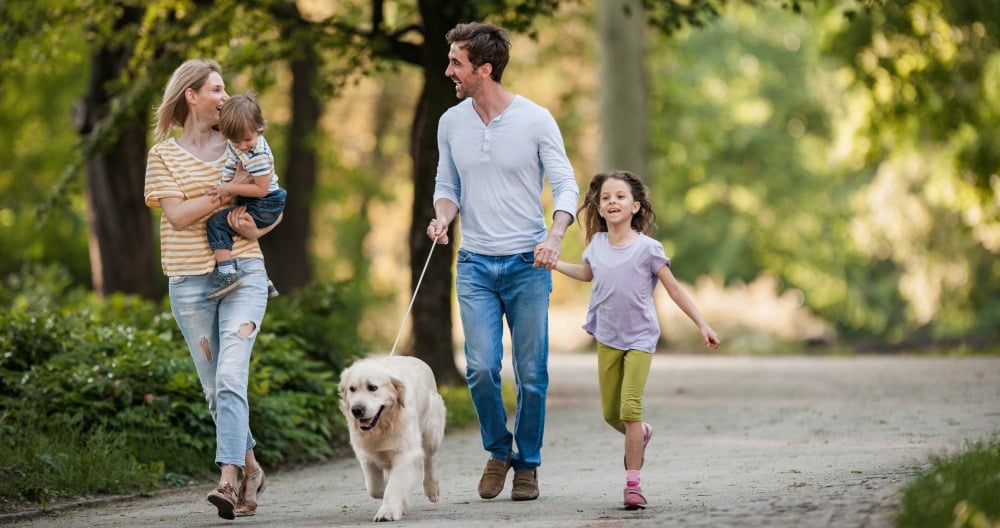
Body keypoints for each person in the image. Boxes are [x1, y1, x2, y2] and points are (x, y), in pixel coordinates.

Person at [426, 21, 580, 502]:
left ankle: (527, 463)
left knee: (532, 375)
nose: (448, 69)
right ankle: (498, 450)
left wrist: (555, 235)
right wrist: (442, 218)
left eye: (457, 62)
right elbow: (446, 186)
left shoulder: (535, 119)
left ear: (484, 69)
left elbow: (567, 185)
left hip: (527, 265)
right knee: (480, 367)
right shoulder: (451, 122)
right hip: (474, 264)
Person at [144, 59, 275, 520]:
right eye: (216, 89)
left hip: (243, 273)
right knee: (213, 388)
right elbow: (177, 216)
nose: (225, 96)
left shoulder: (243, 138)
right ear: (191, 96)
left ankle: (227, 478)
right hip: (188, 282)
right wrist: (227, 194)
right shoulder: (163, 155)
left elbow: (271, 196)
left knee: (231, 375)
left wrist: (256, 230)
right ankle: (253, 469)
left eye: (225, 89)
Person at [553, 170, 721, 510]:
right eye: (605, 198)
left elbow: (673, 288)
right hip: (607, 336)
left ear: (635, 206)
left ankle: (633, 485)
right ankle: (641, 433)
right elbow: (587, 274)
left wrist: (702, 324)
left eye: (620, 196)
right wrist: (554, 264)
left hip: (641, 338)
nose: (612, 201)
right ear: (599, 209)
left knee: (630, 409)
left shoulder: (647, 248)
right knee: (610, 414)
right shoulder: (596, 246)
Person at [204, 92, 286, 301]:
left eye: (246, 140)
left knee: (217, 224)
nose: (241, 146)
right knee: (235, 224)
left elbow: (262, 189)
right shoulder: (238, 142)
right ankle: (263, 280)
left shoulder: (258, 155)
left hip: (266, 202)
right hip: (257, 198)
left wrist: (229, 189)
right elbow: (232, 164)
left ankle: (227, 274)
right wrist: (224, 185)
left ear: (259, 128)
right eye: (234, 140)